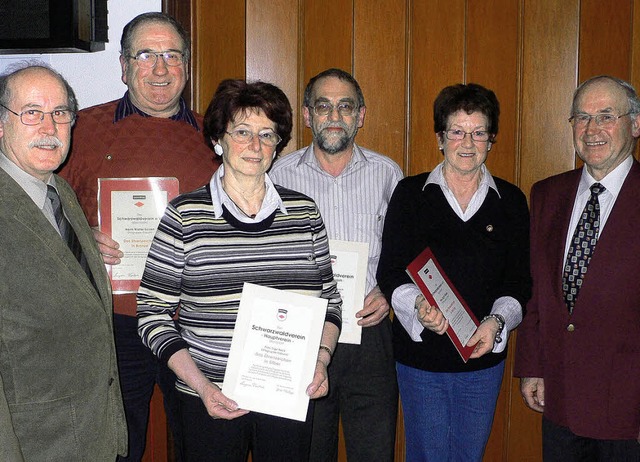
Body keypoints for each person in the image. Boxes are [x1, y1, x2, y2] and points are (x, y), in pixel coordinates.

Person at [136, 78, 342, 461]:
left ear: (278, 145)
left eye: (268, 134)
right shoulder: (185, 216)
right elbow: (152, 316)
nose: (255, 145)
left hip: (287, 395)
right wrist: (201, 387)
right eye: (243, 132)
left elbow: (330, 303)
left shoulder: (304, 213)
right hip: (208, 399)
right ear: (219, 138)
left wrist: (321, 360)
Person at [58, 12, 217, 460]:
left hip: (195, 321)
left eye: (172, 55)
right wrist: (80, 234)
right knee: (116, 443)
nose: (161, 69)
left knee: (200, 439)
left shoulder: (217, 137)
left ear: (186, 64)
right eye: (146, 55)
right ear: (124, 67)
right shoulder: (78, 129)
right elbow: (39, 210)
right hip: (113, 322)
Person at [377, 83, 531, 461]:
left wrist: (497, 322)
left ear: (491, 140)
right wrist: (418, 308)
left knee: (468, 455)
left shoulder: (510, 201)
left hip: (482, 357)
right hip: (421, 360)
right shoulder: (410, 194)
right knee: (426, 454)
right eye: (457, 131)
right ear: (440, 138)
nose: (467, 142)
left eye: (478, 132)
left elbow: (519, 280)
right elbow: (391, 271)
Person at [269, 68, 402, 461]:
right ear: (308, 115)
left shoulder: (387, 173)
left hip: (370, 331)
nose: (334, 116)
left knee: (375, 451)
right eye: (323, 106)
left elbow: (403, 251)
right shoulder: (279, 175)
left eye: (345, 107)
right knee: (309, 450)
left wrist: (390, 292)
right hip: (302, 334)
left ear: (360, 115)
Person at [0, 64, 127, 460]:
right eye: (33, 112)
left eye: (60, 114)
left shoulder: (59, 192)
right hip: (35, 443)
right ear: (1, 124)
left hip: (91, 432)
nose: (50, 127)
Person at [515, 75, 640, 461]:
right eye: (582, 117)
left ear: (635, 124)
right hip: (561, 400)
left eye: (606, 116)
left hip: (628, 410)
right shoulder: (547, 194)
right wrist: (533, 366)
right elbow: (536, 289)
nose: (592, 129)